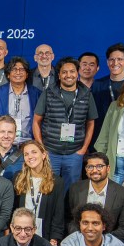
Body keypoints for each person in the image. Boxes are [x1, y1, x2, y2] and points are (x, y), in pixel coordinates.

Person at [32, 57, 98, 185]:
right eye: (64, 72)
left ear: (77, 73)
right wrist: (42, 148)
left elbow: (90, 123)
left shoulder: (87, 94)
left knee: (72, 190)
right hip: (51, 152)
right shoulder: (48, 93)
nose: (68, 75)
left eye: (72, 71)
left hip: (74, 153)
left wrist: (83, 149)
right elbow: (36, 121)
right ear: (59, 75)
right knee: (49, 188)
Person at [65, 152, 124, 244]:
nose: (95, 170)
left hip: (110, 242)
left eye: (99, 166)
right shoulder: (75, 189)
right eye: (90, 167)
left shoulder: (122, 193)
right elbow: (68, 219)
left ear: (108, 168)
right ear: (86, 170)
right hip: (79, 240)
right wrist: (82, 237)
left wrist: (102, 239)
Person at [13, 140, 65, 246]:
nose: (30, 156)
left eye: (34, 152)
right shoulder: (18, 178)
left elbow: (58, 213)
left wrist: (54, 239)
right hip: (21, 234)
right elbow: (13, 209)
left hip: (44, 235)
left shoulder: (56, 181)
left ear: (44, 155)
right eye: (26, 154)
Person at [0, 56, 40, 147]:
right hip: (5, 144)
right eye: (14, 69)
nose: (18, 72)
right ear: (8, 74)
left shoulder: (37, 94)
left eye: (22, 69)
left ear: (27, 74)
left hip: (29, 144)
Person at [91, 43, 124, 137]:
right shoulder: (97, 85)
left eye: (120, 59)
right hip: (100, 135)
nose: (115, 63)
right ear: (107, 62)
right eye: (111, 59)